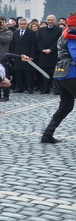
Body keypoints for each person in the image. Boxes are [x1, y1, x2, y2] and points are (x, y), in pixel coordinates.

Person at [41, 12, 76, 143]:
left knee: (66, 106)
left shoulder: (67, 32)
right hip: (71, 73)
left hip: (61, 73)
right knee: (66, 105)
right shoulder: (72, 35)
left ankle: (47, 134)